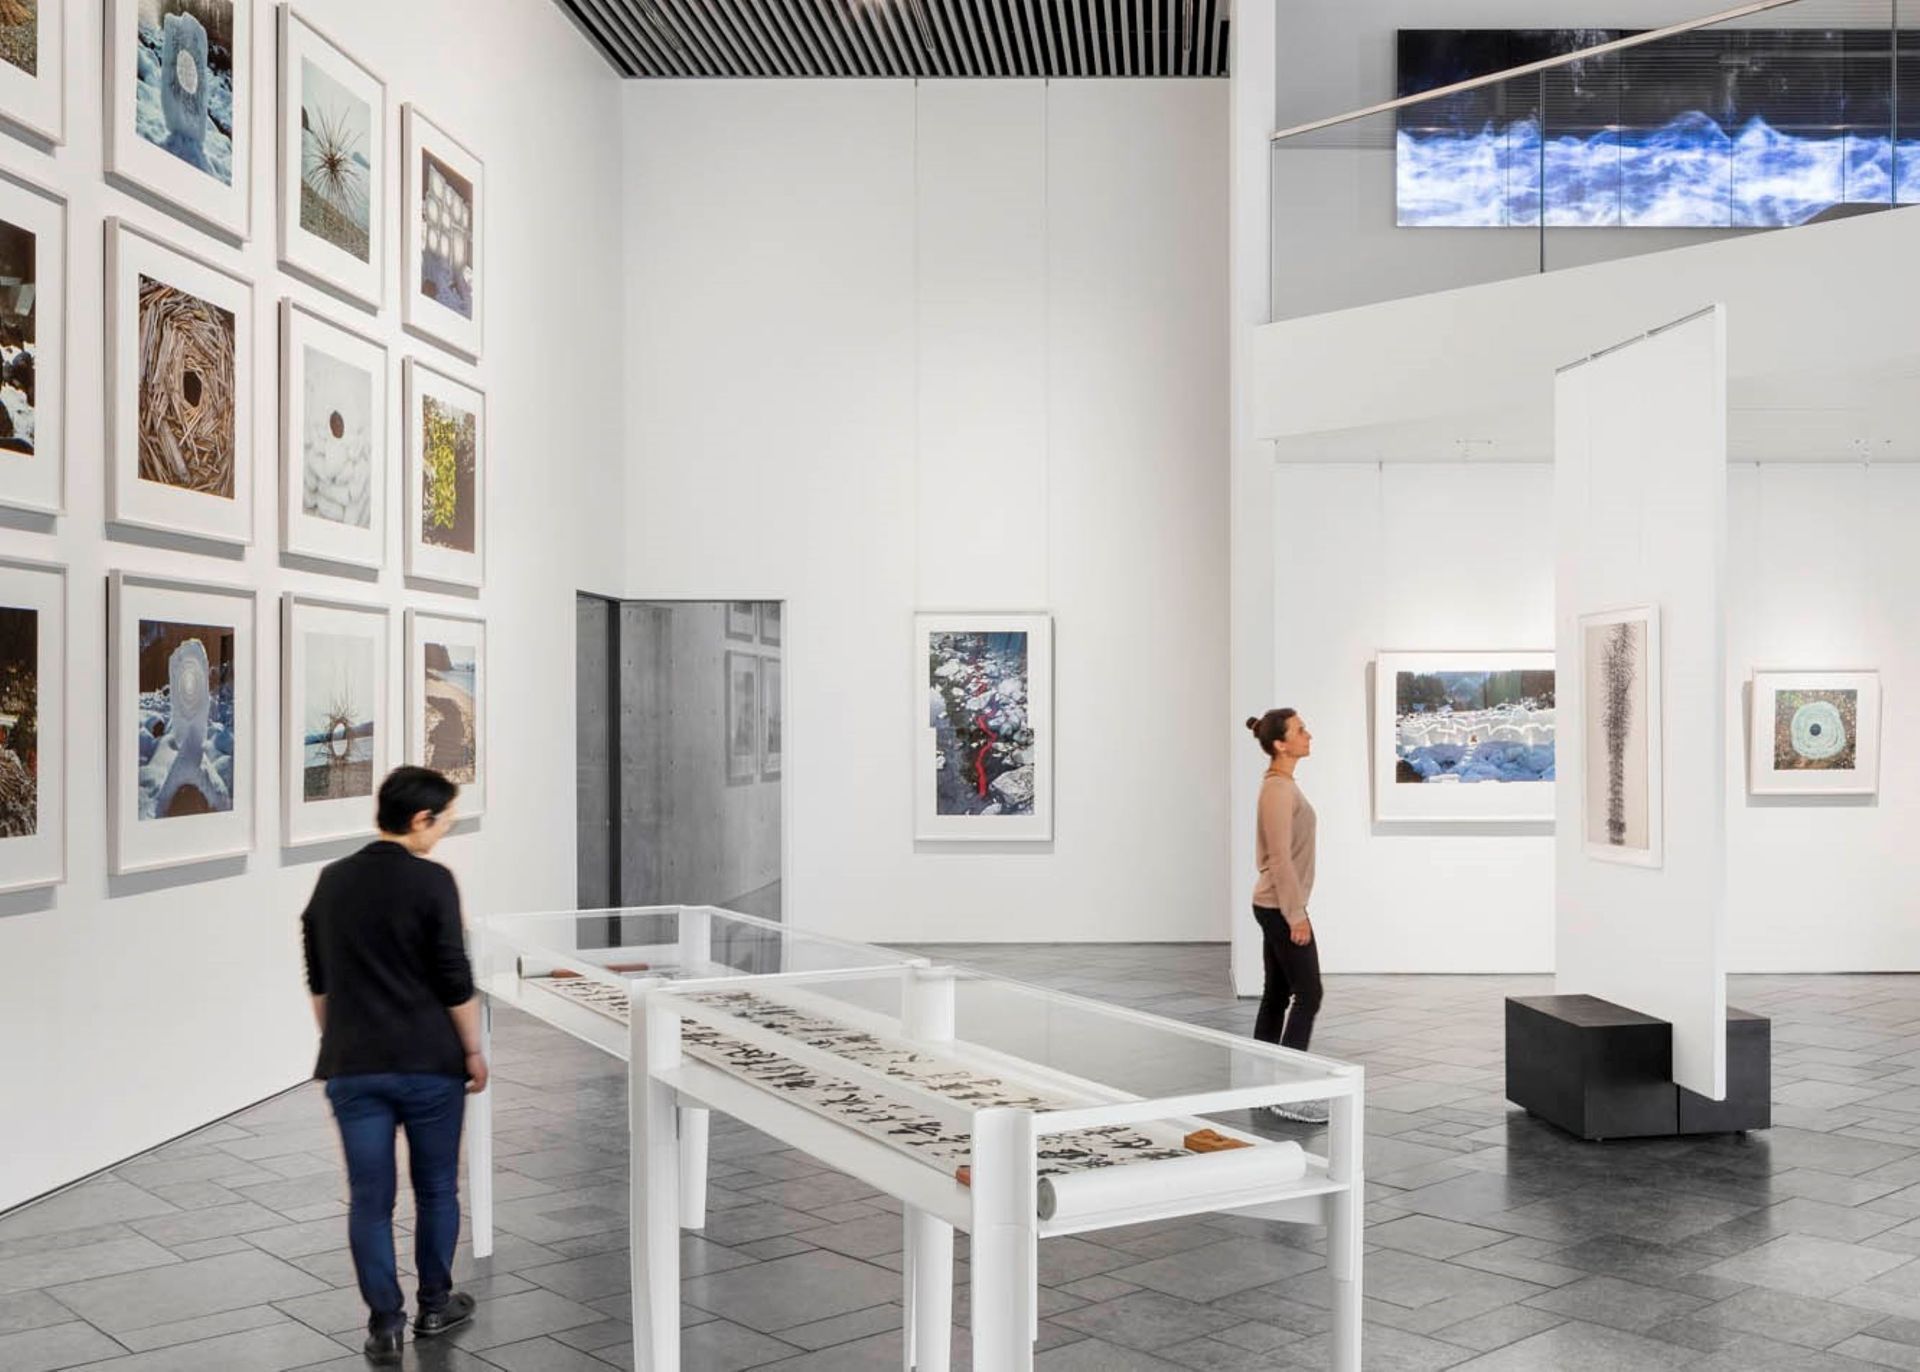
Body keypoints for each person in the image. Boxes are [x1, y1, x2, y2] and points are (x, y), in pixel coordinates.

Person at [301, 766, 486, 1365]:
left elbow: (321, 984)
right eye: (445, 820)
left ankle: (385, 1324)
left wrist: (345, 1041)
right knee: (436, 1188)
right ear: (419, 819)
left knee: (369, 1199)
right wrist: (473, 1050)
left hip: (354, 1066)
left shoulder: (331, 881)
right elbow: (454, 978)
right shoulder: (433, 882)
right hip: (430, 1064)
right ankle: (435, 1304)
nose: (446, 830)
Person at [1246, 708, 1327, 1125]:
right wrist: (1296, 915)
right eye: (1300, 730)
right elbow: (1279, 858)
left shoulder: (1283, 785)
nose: (1308, 735)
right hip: (1279, 906)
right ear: (1281, 744)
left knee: (1277, 995)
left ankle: (1264, 1090)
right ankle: (1289, 1096)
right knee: (1309, 994)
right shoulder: (1277, 790)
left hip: (1277, 904)